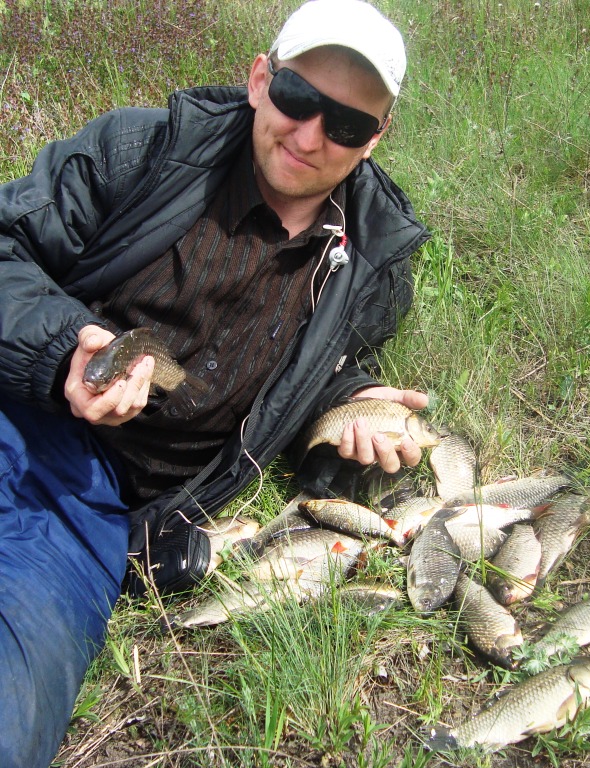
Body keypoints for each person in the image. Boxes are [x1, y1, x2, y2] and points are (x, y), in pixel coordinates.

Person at [0, 0, 430, 764]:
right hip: (15, 402)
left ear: (375, 138)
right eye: (297, 98)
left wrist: (353, 405)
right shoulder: (145, 151)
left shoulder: (373, 260)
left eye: (345, 124)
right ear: (260, 79)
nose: (309, 137)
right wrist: (66, 350)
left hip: (97, 504)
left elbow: (319, 373)